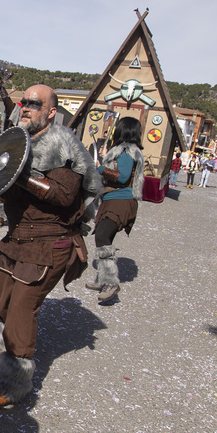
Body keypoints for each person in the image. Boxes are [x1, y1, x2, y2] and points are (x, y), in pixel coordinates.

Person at [0, 84, 101, 409]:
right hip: (18, 236)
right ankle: (4, 340)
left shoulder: (63, 144)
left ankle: (13, 385)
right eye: (24, 102)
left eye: (34, 104)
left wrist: (18, 175)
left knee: (22, 308)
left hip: (50, 240)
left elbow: (63, 195)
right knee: (1, 287)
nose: (25, 107)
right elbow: (0, 182)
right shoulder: (19, 139)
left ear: (51, 112)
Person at [86, 117, 144, 304]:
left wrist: (100, 167)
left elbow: (122, 177)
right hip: (113, 200)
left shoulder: (126, 151)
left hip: (120, 200)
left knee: (102, 236)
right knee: (105, 238)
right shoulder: (129, 151)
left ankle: (110, 282)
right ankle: (103, 278)